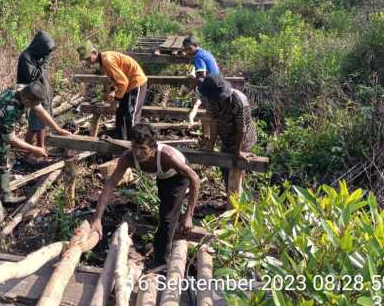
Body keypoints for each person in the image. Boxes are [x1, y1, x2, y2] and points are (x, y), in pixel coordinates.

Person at [90, 123, 200, 269]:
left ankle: (161, 263)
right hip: (162, 175)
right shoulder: (128, 158)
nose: (137, 152)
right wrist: (97, 218)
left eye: (143, 149)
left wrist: (189, 215)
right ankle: (170, 235)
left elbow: (195, 179)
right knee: (166, 210)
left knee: (167, 218)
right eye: (134, 147)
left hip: (178, 176)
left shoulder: (168, 157)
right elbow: (110, 185)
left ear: (153, 150)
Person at [0, 82, 71, 224]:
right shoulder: (7, 109)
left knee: (4, 163)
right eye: (31, 104)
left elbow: (39, 109)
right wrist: (34, 149)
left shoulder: (23, 89)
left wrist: (57, 129)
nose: (33, 107)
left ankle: (6, 196)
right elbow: (11, 139)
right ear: (27, 101)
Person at [198, 74, 257, 194]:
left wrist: (238, 151)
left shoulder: (239, 101)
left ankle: (237, 203)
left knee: (235, 166)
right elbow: (213, 121)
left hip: (244, 138)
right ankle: (231, 198)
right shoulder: (213, 100)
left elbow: (241, 129)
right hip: (227, 136)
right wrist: (210, 145)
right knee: (224, 167)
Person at [78, 44, 148, 140]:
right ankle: (122, 141)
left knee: (130, 116)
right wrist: (112, 91)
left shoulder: (107, 60)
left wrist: (114, 103)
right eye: (85, 59)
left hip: (136, 82)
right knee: (120, 114)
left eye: (88, 58)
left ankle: (134, 143)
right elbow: (116, 80)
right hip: (128, 84)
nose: (87, 61)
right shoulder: (103, 62)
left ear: (94, 52)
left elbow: (123, 82)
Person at [16, 30, 57, 161]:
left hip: (43, 95)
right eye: (46, 50)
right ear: (39, 46)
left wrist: (43, 60)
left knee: (42, 124)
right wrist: (44, 62)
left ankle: (41, 148)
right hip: (31, 97)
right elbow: (33, 76)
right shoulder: (26, 57)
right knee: (34, 126)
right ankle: (26, 154)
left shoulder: (38, 55)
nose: (47, 53)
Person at [182, 36, 220, 129]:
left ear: (195, 45)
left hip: (211, 85)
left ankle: (210, 133)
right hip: (218, 82)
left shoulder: (198, 56)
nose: (188, 51)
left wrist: (189, 89)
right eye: (186, 49)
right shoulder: (205, 52)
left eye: (189, 49)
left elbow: (201, 77)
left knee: (210, 112)